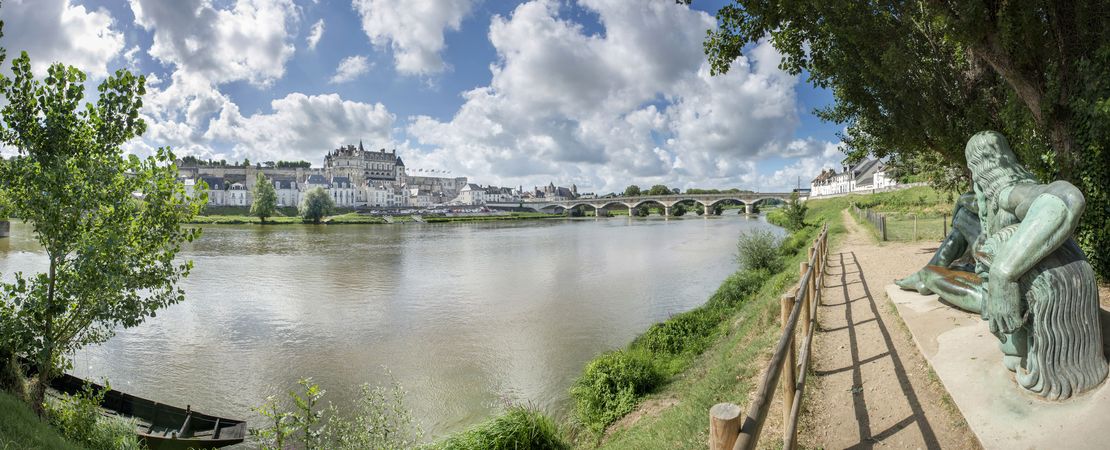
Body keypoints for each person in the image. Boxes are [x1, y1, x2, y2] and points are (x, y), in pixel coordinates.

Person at [895, 131, 1106, 400]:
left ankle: (926, 276)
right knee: (963, 218)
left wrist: (1003, 274)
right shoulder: (991, 198)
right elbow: (976, 208)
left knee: (933, 275)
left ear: (978, 170)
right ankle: (929, 274)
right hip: (1036, 287)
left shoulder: (1009, 192)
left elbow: (1067, 199)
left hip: (1022, 293)